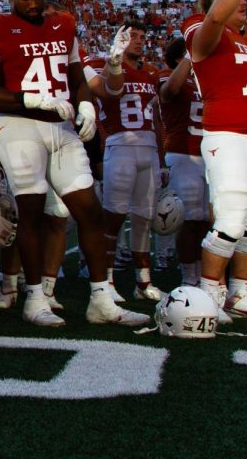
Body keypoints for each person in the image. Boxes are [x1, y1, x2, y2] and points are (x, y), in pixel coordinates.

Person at [0, 0, 148, 328]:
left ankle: (100, 298)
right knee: (32, 211)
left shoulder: (63, 23)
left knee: (89, 210)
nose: (34, 4)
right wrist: (34, 100)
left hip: (61, 126)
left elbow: (76, 78)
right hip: (18, 125)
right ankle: (35, 298)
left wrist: (85, 105)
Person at [184, 0, 247, 319]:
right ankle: (210, 293)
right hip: (228, 137)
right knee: (230, 218)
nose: (242, 1)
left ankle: (241, 291)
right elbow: (217, 15)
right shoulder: (200, 28)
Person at [93, 22, 168, 300]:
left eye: (141, 37)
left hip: (148, 148)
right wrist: (114, 58)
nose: (137, 41)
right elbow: (101, 88)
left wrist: (161, 160)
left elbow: (158, 120)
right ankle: (107, 282)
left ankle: (143, 282)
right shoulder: (110, 67)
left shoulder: (151, 72)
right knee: (113, 217)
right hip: (120, 145)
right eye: (132, 36)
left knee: (144, 218)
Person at [159, 37, 207, 288]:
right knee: (189, 220)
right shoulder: (169, 74)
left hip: (210, 153)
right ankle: (189, 277)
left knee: (206, 221)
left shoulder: (206, 75)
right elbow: (170, 91)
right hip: (183, 152)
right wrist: (191, 55)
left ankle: (203, 275)